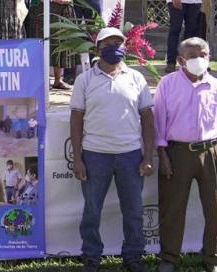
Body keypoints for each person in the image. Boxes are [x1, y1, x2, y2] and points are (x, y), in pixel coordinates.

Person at [69, 27, 154, 272]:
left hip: (130, 154)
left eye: (118, 42)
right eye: (108, 43)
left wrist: (147, 156)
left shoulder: (136, 78)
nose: (114, 47)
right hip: (95, 154)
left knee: (134, 210)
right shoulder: (84, 80)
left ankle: (134, 255)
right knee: (92, 210)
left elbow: (148, 119)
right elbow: (76, 120)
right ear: (97, 49)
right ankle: (92, 256)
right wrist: (78, 159)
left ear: (125, 47)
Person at [154, 38, 217, 272]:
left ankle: (212, 259)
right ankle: (169, 258)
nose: (199, 59)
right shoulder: (167, 84)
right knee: (172, 208)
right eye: (193, 56)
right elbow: (159, 123)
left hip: (210, 152)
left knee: (213, 209)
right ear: (181, 60)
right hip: (177, 152)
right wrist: (163, 155)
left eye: (204, 54)